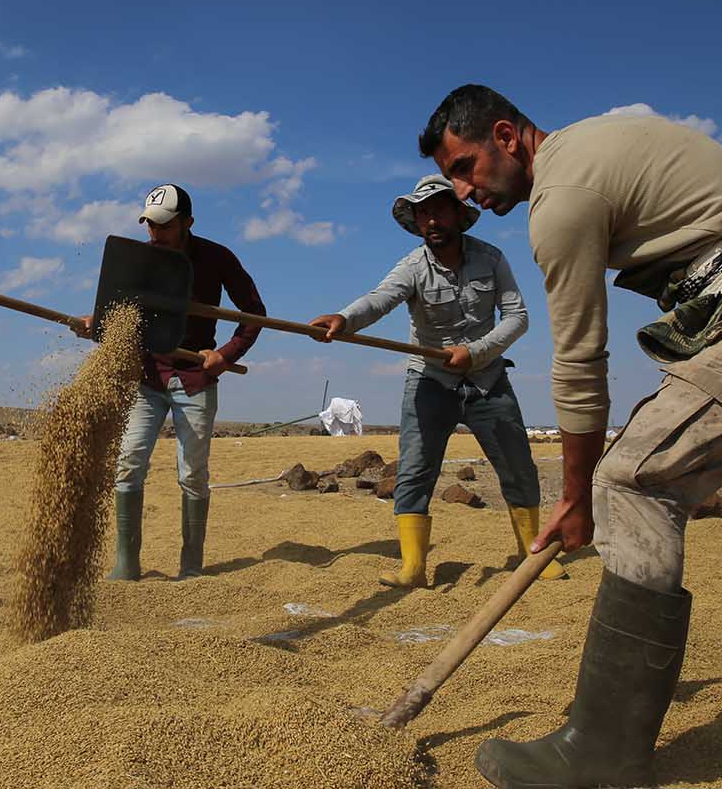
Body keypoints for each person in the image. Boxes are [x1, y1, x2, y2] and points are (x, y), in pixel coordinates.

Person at [418, 84, 722, 788]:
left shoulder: (561, 196)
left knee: (631, 481)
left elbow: (580, 359)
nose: (466, 192)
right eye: (453, 180)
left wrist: (576, 496)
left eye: (467, 167)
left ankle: (600, 756)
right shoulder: (602, 140)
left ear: (507, 136)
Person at [309, 175, 565, 588]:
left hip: (487, 379)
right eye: (422, 212)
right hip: (428, 381)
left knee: (518, 467)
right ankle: (413, 567)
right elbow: (380, 298)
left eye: (438, 209)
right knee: (414, 472)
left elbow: (518, 317)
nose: (430, 219)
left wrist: (477, 351)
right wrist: (345, 319)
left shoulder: (492, 258)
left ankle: (529, 554)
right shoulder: (412, 267)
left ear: (458, 214)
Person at [73, 183, 265, 582]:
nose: (154, 234)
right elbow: (117, 304)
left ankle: (191, 568)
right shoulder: (143, 258)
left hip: (196, 377)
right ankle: (126, 565)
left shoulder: (216, 257)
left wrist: (225, 354)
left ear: (187, 223)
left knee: (192, 473)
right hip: (147, 376)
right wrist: (98, 323)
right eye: (150, 225)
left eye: (163, 226)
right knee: (128, 463)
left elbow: (254, 312)